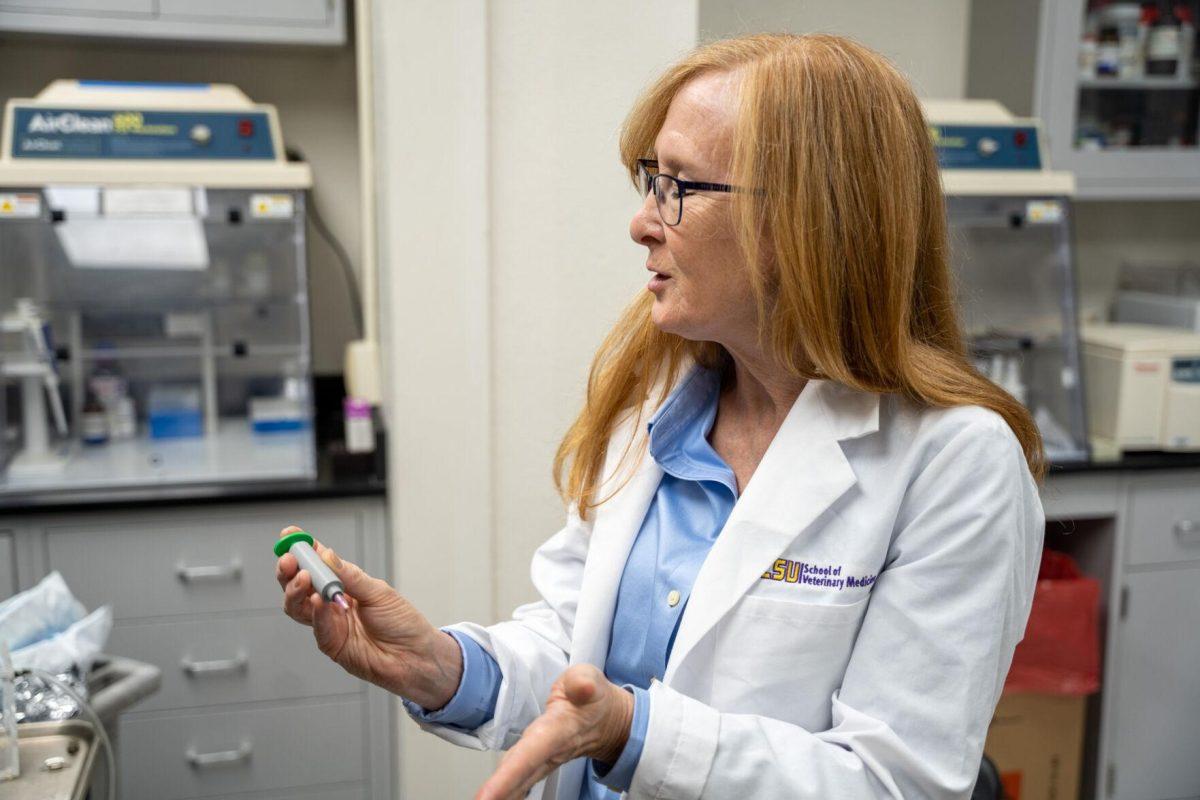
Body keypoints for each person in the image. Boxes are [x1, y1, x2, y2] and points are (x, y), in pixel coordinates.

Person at [277, 33, 1045, 800]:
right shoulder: (662, 404)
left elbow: (891, 783)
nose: (643, 222)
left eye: (678, 186)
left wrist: (633, 735)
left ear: (808, 220)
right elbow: (577, 649)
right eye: (651, 180)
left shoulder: (956, 464)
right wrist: (443, 668)